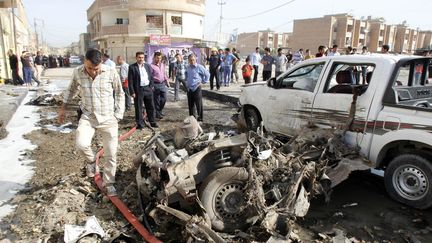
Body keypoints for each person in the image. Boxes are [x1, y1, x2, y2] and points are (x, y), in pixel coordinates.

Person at [58, 49, 125, 196]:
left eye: (96, 69)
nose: (93, 72)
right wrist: (63, 109)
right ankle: (91, 161)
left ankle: (109, 183)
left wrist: (118, 115)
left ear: (101, 63)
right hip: (88, 116)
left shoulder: (111, 72)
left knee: (111, 153)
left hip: (108, 118)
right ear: (84, 62)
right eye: (89, 68)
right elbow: (70, 90)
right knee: (81, 144)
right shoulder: (78, 72)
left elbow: (120, 93)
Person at [128, 51, 158, 129]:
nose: (141, 59)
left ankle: (152, 122)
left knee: (150, 106)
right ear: (136, 58)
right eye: (139, 57)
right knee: (138, 107)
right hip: (138, 90)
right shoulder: (132, 67)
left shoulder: (147, 66)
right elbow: (130, 80)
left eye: (142, 57)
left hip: (148, 89)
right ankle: (140, 124)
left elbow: (151, 77)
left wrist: (151, 86)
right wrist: (132, 92)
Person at [185, 54, 209, 122]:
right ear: (188, 60)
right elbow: (187, 74)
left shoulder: (199, 67)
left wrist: (203, 82)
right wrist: (187, 81)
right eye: (190, 60)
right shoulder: (188, 67)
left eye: (193, 60)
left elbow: (207, 74)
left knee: (199, 104)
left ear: (196, 60)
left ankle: (200, 118)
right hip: (189, 88)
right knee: (191, 104)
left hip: (197, 88)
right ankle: (192, 118)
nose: (192, 61)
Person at [150, 52, 169, 119]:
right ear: (154, 57)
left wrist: (167, 81)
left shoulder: (163, 65)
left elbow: (164, 74)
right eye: (157, 58)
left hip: (162, 84)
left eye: (160, 58)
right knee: (156, 100)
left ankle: (159, 111)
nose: (159, 59)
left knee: (164, 99)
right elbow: (150, 77)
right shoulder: (151, 66)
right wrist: (151, 86)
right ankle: (158, 113)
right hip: (155, 84)